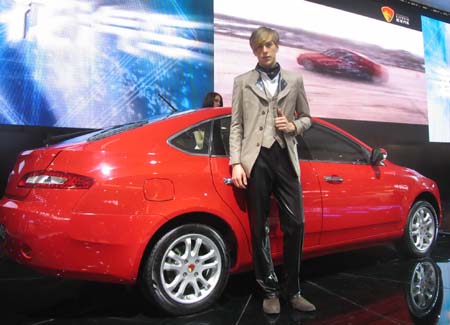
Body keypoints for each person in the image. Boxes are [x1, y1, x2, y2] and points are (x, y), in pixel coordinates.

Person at [229, 26, 315, 314]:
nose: (264, 51)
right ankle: (269, 290)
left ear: (276, 46)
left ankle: (294, 290)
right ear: (254, 51)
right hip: (256, 159)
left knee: (297, 224)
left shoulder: (295, 79)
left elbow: (307, 117)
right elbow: (237, 125)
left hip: (285, 157)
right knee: (259, 226)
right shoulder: (242, 82)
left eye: (269, 45)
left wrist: (293, 126)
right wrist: (236, 162)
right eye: (259, 47)